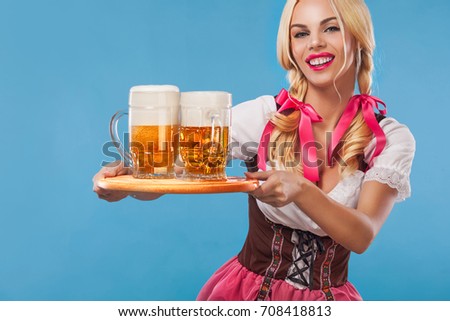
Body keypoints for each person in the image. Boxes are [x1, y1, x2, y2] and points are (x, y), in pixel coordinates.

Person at [93, 0, 415, 301]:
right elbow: (178, 173)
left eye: (330, 28)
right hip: (245, 295)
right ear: (290, 48)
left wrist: (301, 189)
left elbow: (362, 235)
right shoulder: (265, 116)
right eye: (301, 33)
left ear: (357, 37)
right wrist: (129, 186)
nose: (314, 43)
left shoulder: (387, 137)